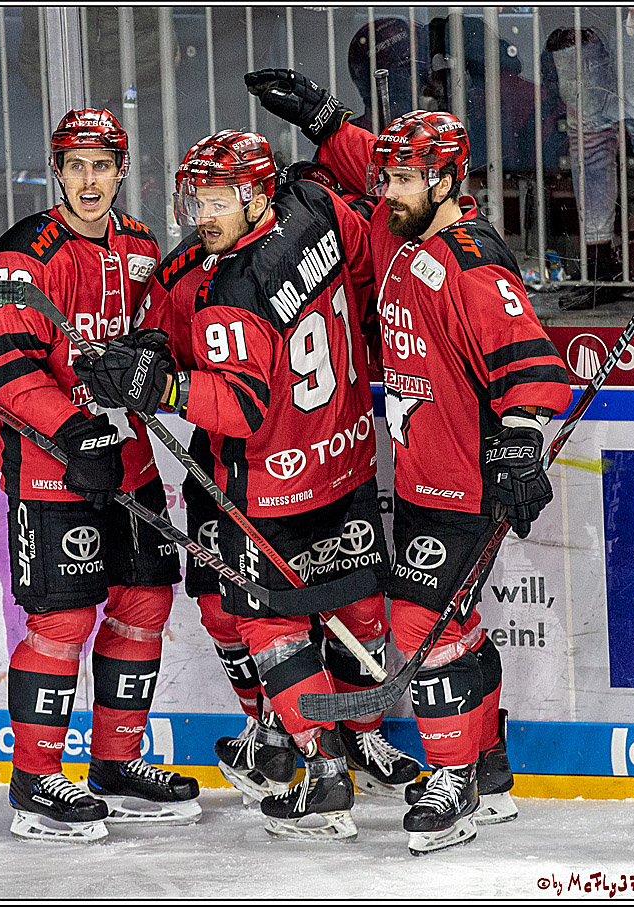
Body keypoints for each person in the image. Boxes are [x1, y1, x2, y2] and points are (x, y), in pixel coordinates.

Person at [245, 68, 573, 853]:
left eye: (401, 178)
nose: (385, 188)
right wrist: (330, 123)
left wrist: (522, 446)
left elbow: (527, 363)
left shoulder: (471, 262)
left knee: (423, 623)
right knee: (453, 625)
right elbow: (368, 175)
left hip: (466, 482)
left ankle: (454, 782)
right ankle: (490, 772)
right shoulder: (405, 232)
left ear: (449, 181)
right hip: (421, 474)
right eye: (385, 175)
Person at [76, 128, 420, 841]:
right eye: (195, 197)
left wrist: (163, 383)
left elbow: (241, 406)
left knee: (274, 628)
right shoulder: (313, 204)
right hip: (348, 457)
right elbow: (367, 265)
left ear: (258, 193)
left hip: (271, 487)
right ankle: (325, 734)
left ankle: (324, 769)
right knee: (355, 608)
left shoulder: (232, 287)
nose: (203, 212)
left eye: (219, 198)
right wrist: (146, 347)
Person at [0, 107, 198, 843]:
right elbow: (7, 370)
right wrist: (72, 431)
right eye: (75, 165)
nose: (88, 179)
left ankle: (116, 762)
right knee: (64, 618)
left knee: (144, 602)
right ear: (56, 170)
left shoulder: (138, 244)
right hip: (50, 461)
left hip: (128, 455)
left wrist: (149, 362)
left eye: (101, 164)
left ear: (122, 168)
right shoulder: (23, 255)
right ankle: (36, 779)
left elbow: (160, 328)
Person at [546, 13, 634, 309]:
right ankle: (600, 272)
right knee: (594, 142)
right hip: (594, 18)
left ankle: (601, 272)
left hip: (622, 19)